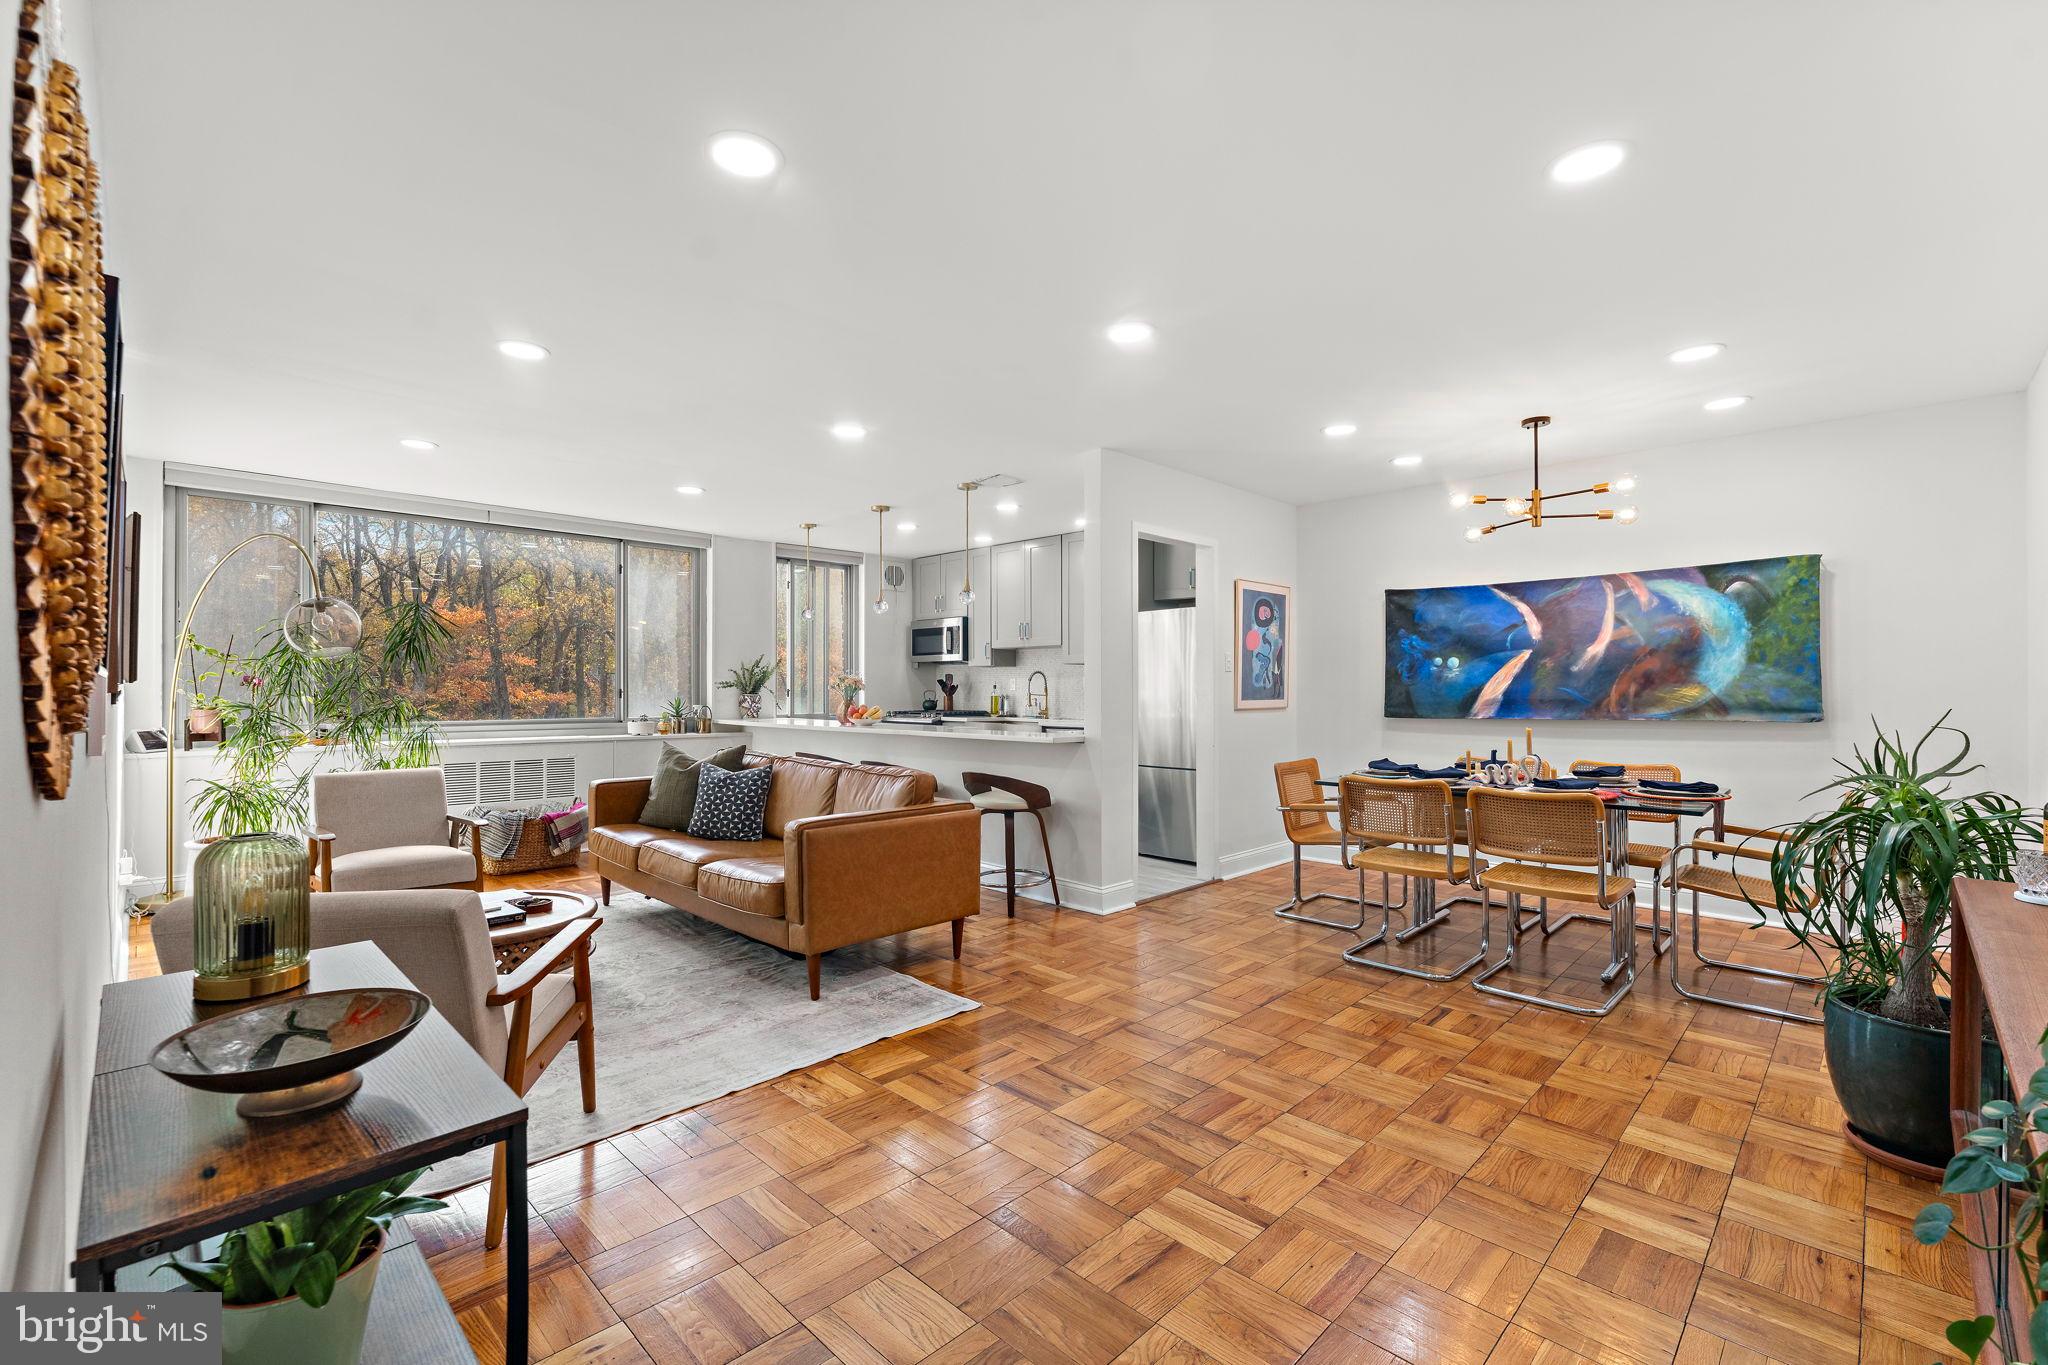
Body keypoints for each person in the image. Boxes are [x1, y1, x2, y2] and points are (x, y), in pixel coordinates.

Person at [1247, 596, 1283, 694]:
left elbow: (1275, 639)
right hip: (1259, 656)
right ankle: (1262, 673)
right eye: (1264, 611)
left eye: (1267, 611)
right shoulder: (1255, 630)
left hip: (1268, 657)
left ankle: (1265, 677)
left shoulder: (1272, 629)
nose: (1266, 614)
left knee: (1268, 668)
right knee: (1264, 663)